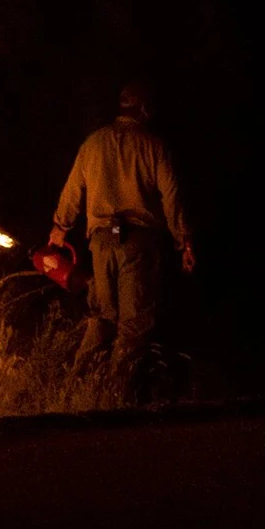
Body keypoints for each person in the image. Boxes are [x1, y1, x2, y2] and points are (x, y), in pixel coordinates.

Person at [49, 82, 193, 386]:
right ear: (144, 109)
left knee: (102, 316)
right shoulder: (154, 145)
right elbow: (172, 196)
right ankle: (115, 396)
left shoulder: (93, 144)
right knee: (134, 323)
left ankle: (75, 388)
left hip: (101, 242)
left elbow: (72, 190)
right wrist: (184, 242)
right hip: (139, 242)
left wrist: (59, 229)